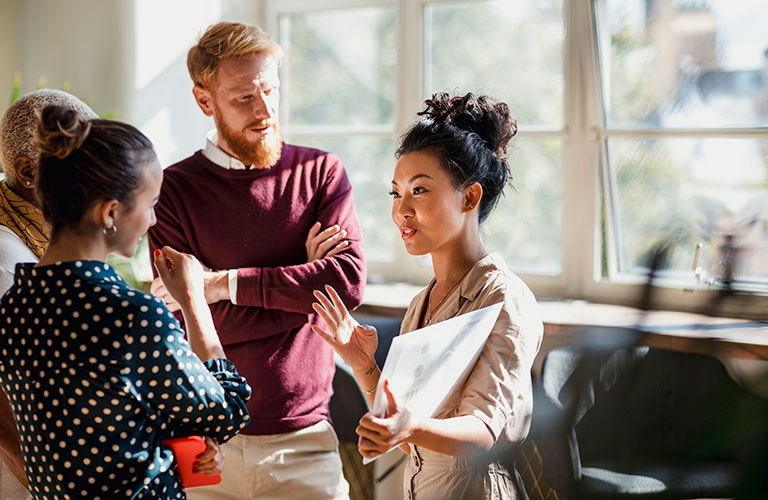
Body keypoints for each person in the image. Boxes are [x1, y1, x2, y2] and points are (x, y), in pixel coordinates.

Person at [148, 22, 365, 500]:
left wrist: (218, 285)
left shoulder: (320, 173)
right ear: (205, 101)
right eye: (244, 98)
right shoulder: (171, 192)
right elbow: (183, 323)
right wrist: (301, 294)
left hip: (306, 443)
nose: (265, 110)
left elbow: (345, 286)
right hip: (207, 446)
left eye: (270, 90)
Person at [0, 104, 252, 499]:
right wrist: (193, 301)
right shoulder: (131, 317)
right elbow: (225, 411)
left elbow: (91, 427)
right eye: (151, 204)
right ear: (111, 212)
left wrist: (176, 443)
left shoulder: (13, 307)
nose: (153, 220)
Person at [312, 92, 543, 500]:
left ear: (470, 197)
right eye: (395, 193)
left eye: (419, 191)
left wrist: (410, 427)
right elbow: (400, 428)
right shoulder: (423, 301)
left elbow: (481, 432)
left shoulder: (503, 298)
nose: (401, 210)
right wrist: (363, 364)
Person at [0, 89, 98, 499]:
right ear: (28, 173)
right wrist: (49, 484)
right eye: (85, 164)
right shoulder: (8, 263)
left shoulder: (50, 241)